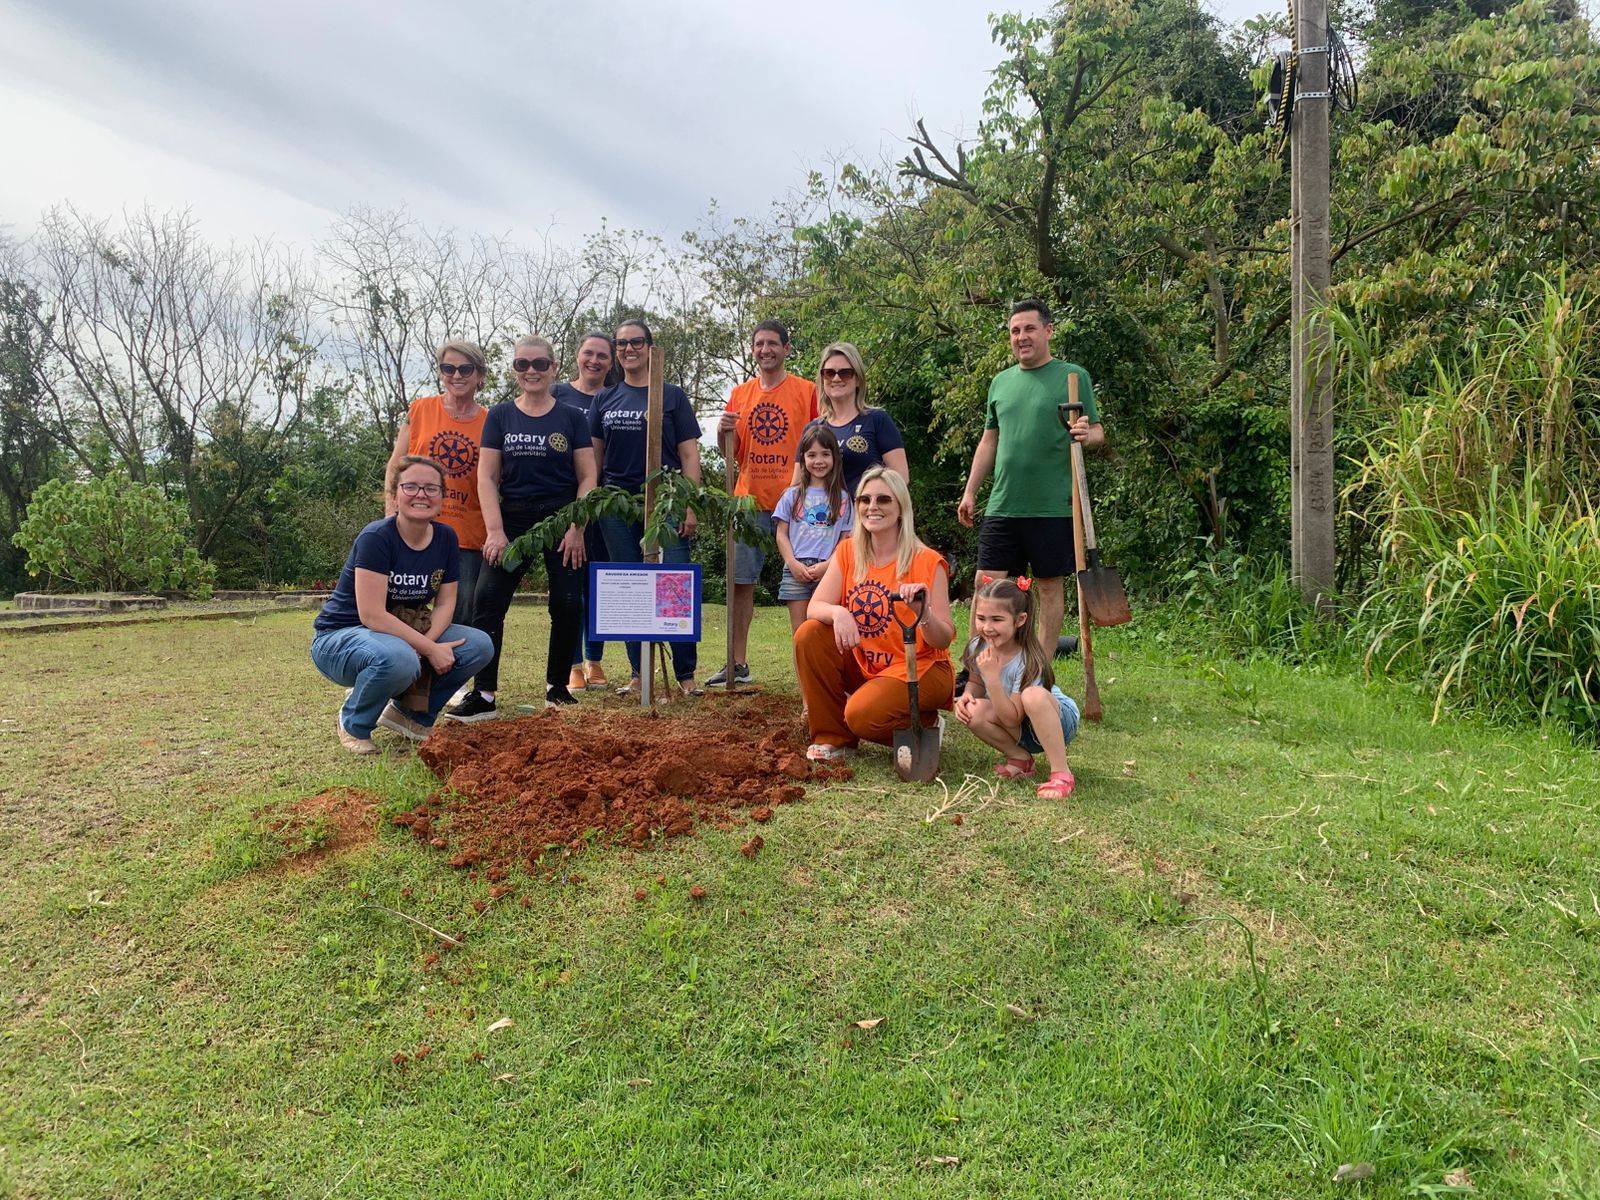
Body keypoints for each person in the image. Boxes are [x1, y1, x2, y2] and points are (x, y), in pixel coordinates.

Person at [445, 336, 596, 721]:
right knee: (487, 601)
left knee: (567, 603)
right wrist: (495, 531)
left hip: (561, 520)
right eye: (522, 364)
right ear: (514, 370)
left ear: (553, 368)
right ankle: (484, 694)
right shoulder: (500, 416)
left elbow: (587, 476)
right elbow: (486, 477)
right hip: (511, 521)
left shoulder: (572, 418)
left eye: (540, 364)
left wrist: (576, 526)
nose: (531, 371)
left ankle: (557, 688)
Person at [311, 456, 493, 754]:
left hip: (402, 635)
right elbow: (372, 615)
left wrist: (427, 644)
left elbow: (446, 603)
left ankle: (410, 715)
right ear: (395, 495)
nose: (421, 494)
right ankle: (353, 722)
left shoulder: (446, 537)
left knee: (479, 645)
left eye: (431, 488)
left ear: (442, 497)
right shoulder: (377, 537)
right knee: (400, 658)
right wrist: (427, 648)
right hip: (342, 637)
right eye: (410, 487)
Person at [958, 299, 1106, 659]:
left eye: (1029, 328)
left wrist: (1086, 434)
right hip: (1004, 503)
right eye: (1015, 331)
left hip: (1053, 505)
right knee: (985, 585)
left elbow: (1098, 432)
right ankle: (976, 668)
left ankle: (1038, 669)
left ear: (1048, 331)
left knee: (1049, 588)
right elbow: (989, 441)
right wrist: (970, 491)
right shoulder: (1001, 382)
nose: (1021, 336)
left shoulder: (1073, 377)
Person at [794, 466, 955, 761]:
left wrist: (925, 614)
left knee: (860, 715)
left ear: (901, 508)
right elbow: (814, 608)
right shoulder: (848, 552)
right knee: (810, 634)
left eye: (883, 499)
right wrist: (838, 612)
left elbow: (943, 639)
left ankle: (925, 723)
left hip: (918, 667)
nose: (872, 507)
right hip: (867, 664)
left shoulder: (928, 561)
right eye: (865, 500)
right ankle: (834, 738)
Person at [591, 318, 704, 697]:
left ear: (650, 347)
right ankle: (639, 673)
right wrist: (593, 504)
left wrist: (689, 505)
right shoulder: (605, 399)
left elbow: (689, 455)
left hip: (667, 501)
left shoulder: (672, 396)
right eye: (622, 343)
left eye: (636, 342)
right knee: (629, 584)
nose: (629, 349)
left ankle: (685, 675)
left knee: (675, 583)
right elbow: (595, 459)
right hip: (616, 506)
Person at [710, 320, 818, 688]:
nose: (765, 350)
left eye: (772, 343)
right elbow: (729, 452)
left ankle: (812, 665)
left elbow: (821, 443)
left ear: (786, 348)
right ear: (753, 349)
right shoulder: (740, 394)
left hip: (798, 503)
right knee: (740, 581)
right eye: (759, 344)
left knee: (807, 581)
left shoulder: (807, 391)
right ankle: (737, 663)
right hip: (748, 502)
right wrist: (721, 431)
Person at [384, 339, 489, 627]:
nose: (456, 375)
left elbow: (495, 480)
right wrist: (391, 510)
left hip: (466, 533)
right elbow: (395, 464)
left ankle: (447, 659)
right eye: (448, 368)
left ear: (479, 375)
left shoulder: (491, 421)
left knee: (460, 614)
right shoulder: (420, 409)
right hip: (413, 526)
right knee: (400, 609)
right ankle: (407, 658)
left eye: (465, 369)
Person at [954, 575, 1080, 799]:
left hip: (1056, 721)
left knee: (1032, 696)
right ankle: (1020, 758)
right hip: (1021, 724)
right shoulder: (977, 646)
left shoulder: (1028, 659)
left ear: (1020, 620)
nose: (987, 627)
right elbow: (975, 682)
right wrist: (967, 696)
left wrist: (993, 679)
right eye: (981, 618)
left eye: (997, 619)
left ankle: (1061, 773)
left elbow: (1011, 718)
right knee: (972, 710)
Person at [551, 331, 616, 694]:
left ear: (611, 362)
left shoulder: (614, 397)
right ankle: (573, 664)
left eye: (602, 355)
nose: (594, 360)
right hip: (565, 503)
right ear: (577, 356)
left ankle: (595, 660)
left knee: (599, 585)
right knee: (570, 586)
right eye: (588, 353)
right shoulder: (557, 394)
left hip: (605, 504)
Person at [773, 424, 853, 633]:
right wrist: (792, 563)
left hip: (829, 570)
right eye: (812, 455)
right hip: (795, 570)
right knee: (800, 633)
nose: (819, 461)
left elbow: (845, 539)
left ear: (834, 458)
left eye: (825, 454)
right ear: (803, 458)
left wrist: (829, 565)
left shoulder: (843, 498)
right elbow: (781, 534)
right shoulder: (791, 495)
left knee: (824, 632)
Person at [802, 341, 908, 498]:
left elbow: (901, 478)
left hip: (865, 511)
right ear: (822, 379)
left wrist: (874, 505)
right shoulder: (812, 429)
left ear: (858, 379)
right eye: (829, 373)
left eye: (845, 373)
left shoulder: (877, 420)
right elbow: (799, 483)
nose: (836, 378)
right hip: (821, 513)